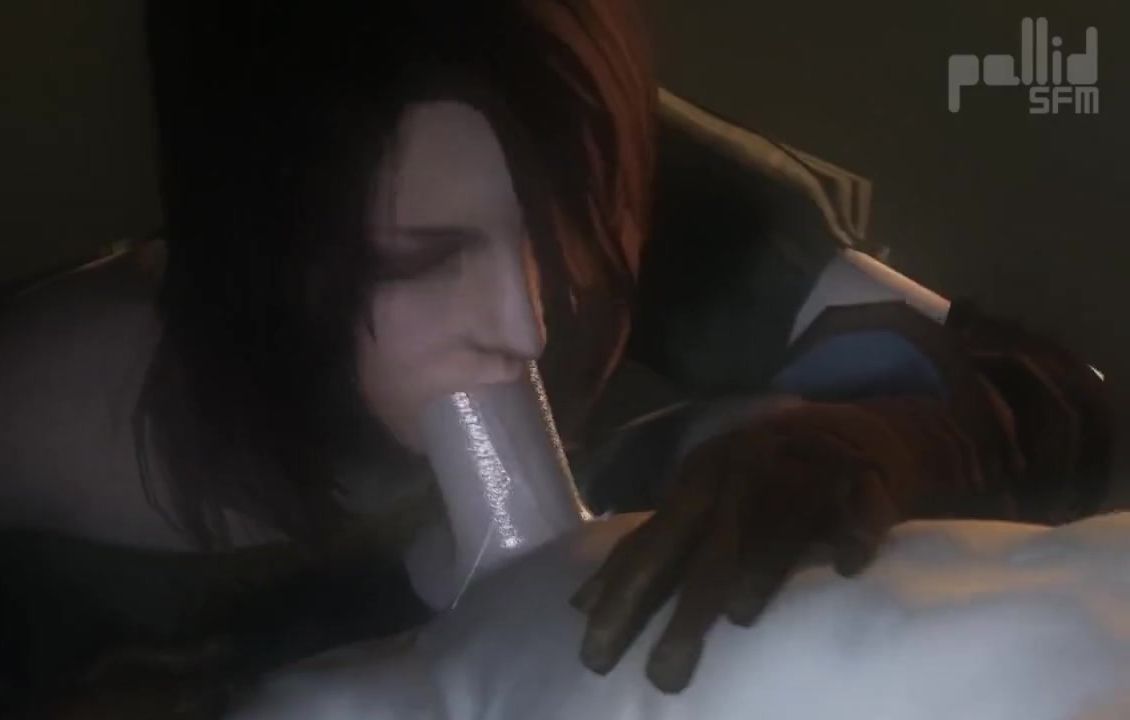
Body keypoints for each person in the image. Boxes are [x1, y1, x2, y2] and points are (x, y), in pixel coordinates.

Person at [0, 0, 1112, 715]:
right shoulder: (55, 435)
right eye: (421, 261)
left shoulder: (560, 146)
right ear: (266, 261)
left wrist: (891, 443)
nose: (527, 326)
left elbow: (1047, 401)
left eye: (571, 236)